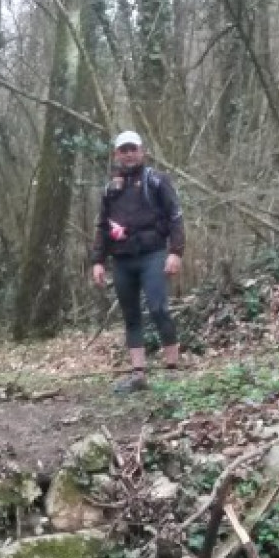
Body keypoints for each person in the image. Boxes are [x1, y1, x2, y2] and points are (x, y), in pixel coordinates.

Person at [90, 130, 183, 391]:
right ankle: (138, 374)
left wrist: (176, 252)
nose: (129, 154)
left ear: (142, 151)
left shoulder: (157, 181)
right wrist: (98, 261)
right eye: (124, 150)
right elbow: (102, 226)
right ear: (116, 154)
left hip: (153, 253)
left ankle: (173, 367)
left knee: (158, 308)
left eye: (133, 149)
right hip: (122, 258)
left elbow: (175, 216)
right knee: (130, 315)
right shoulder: (111, 189)